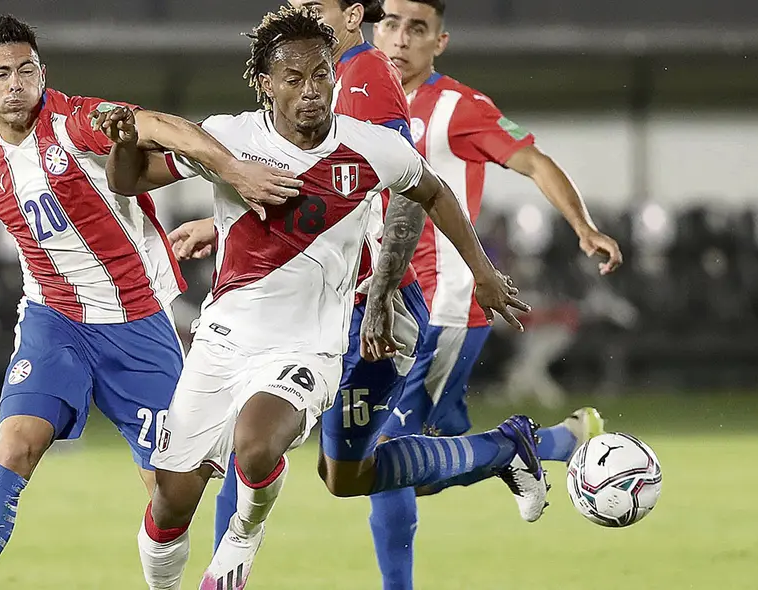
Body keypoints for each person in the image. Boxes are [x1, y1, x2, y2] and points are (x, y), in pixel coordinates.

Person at [104, 8, 540, 589]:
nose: (311, 92)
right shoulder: (230, 138)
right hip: (224, 340)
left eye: (320, 75)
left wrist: (481, 272)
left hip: (310, 347)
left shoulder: (369, 147)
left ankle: (244, 534)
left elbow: (431, 191)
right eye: (293, 79)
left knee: (256, 446)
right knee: (169, 503)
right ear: (265, 83)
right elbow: (130, 181)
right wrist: (124, 143)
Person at [0, 15, 301, 590]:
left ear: (42, 72)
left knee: (173, 492)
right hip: (54, 322)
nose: (16, 83)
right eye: (1, 74)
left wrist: (233, 168)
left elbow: (161, 126)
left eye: (27, 69)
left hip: (136, 324)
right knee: (16, 444)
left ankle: (218, 562)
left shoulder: (76, 121)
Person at [360, 1, 625, 587]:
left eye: (417, 29)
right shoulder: (352, 96)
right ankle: (548, 442)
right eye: (391, 24)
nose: (400, 39)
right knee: (426, 452)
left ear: (440, 42)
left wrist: (583, 227)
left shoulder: (457, 107)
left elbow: (532, 160)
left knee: (385, 455)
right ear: (372, 27)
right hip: (376, 302)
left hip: (444, 307)